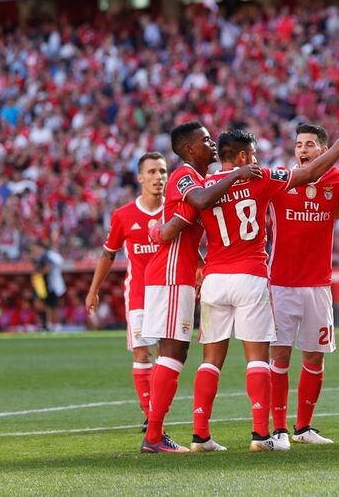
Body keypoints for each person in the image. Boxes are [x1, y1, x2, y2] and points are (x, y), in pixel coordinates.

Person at [154, 124, 339, 452]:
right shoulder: (260, 176)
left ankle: (200, 436)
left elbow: (183, 218)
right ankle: (261, 435)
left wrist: (159, 230)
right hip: (250, 276)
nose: (256, 158)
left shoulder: (204, 185)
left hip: (213, 278)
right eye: (251, 154)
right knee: (257, 358)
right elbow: (308, 173)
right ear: (242, 156)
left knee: (210, 360)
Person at [139, 121, 264, 454]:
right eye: (205, 140)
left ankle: (166, 434)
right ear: (189, 148)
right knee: (171, 353)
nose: (212, 144)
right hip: (169, 272)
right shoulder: (184, 175)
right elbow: (196, 205)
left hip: (181, 273)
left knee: (176, 353)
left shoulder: (198, 177)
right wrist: (236, 174)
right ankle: (153, 436)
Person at [267, 124, 339, 447]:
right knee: (279, 355)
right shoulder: (280, 179)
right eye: (298, 144)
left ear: (322, 150)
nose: (302, 150)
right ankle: (278, 429)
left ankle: (303, 428)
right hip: (281, 285)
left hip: (318, 286)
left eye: (309, 145)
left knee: (315, 358)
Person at [86, 151, 168, 427]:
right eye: (153, 172)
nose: (158, 177)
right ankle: (150, 414)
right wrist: (93, 289)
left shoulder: (176, 210)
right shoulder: (123, 215)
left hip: (170, 293)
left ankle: (157, 411)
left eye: (163, 171)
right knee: (142, 353)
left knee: (167, 355)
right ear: (140, 177)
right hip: (140, 295)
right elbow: (108, 255)